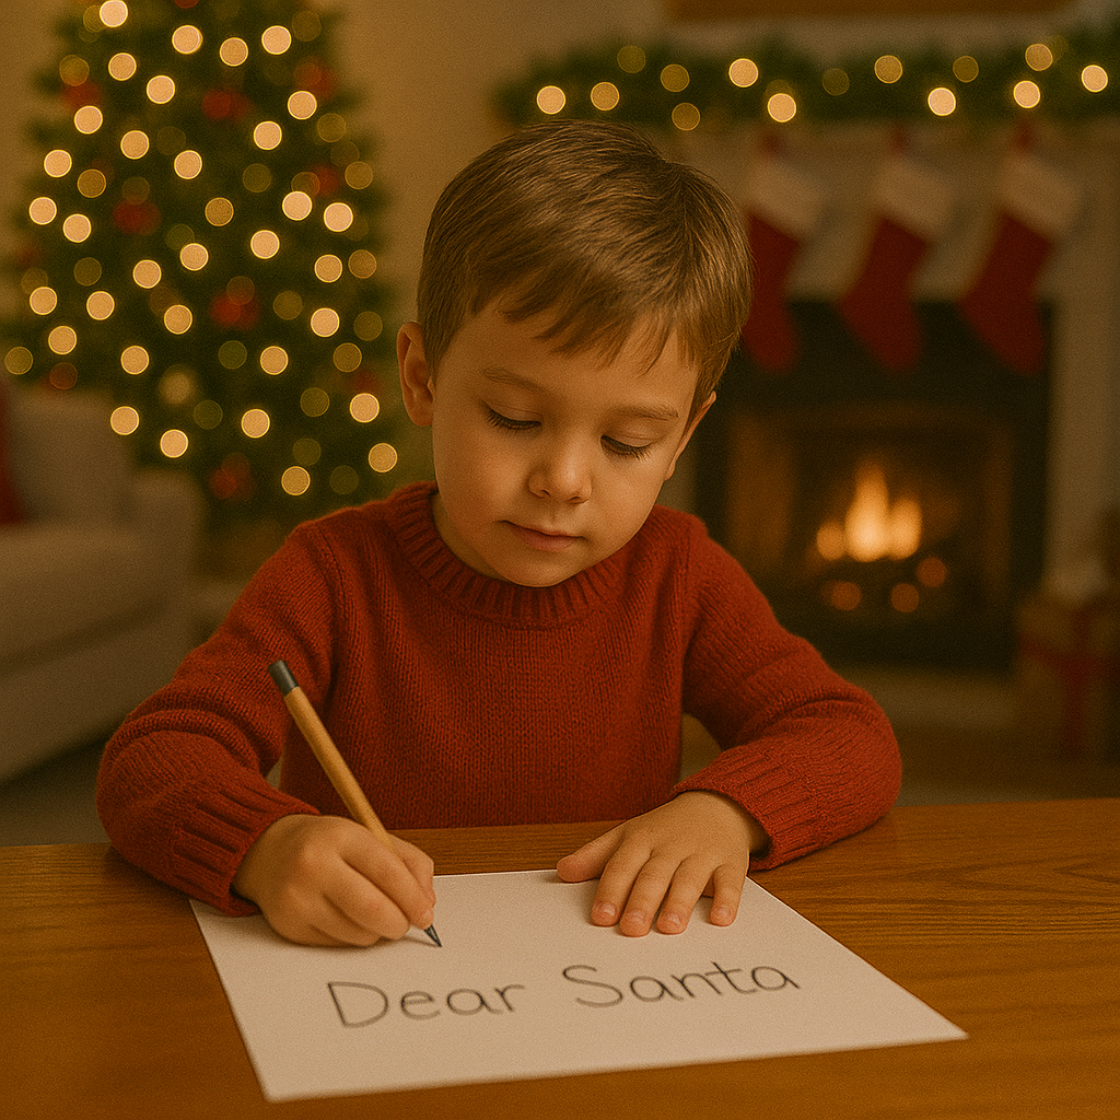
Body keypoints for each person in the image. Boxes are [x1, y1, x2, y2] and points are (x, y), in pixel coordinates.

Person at [97, 120, 900, 948]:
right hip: (382, 985)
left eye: (627, 443)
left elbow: (850, 735)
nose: (564, 480)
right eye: (515, 418)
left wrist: (725, 811)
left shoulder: (678, 575)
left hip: (603, 984)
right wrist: (267, 844)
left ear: (684, 438)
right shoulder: (333, 575)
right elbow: (155, 755)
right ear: (423, 379)